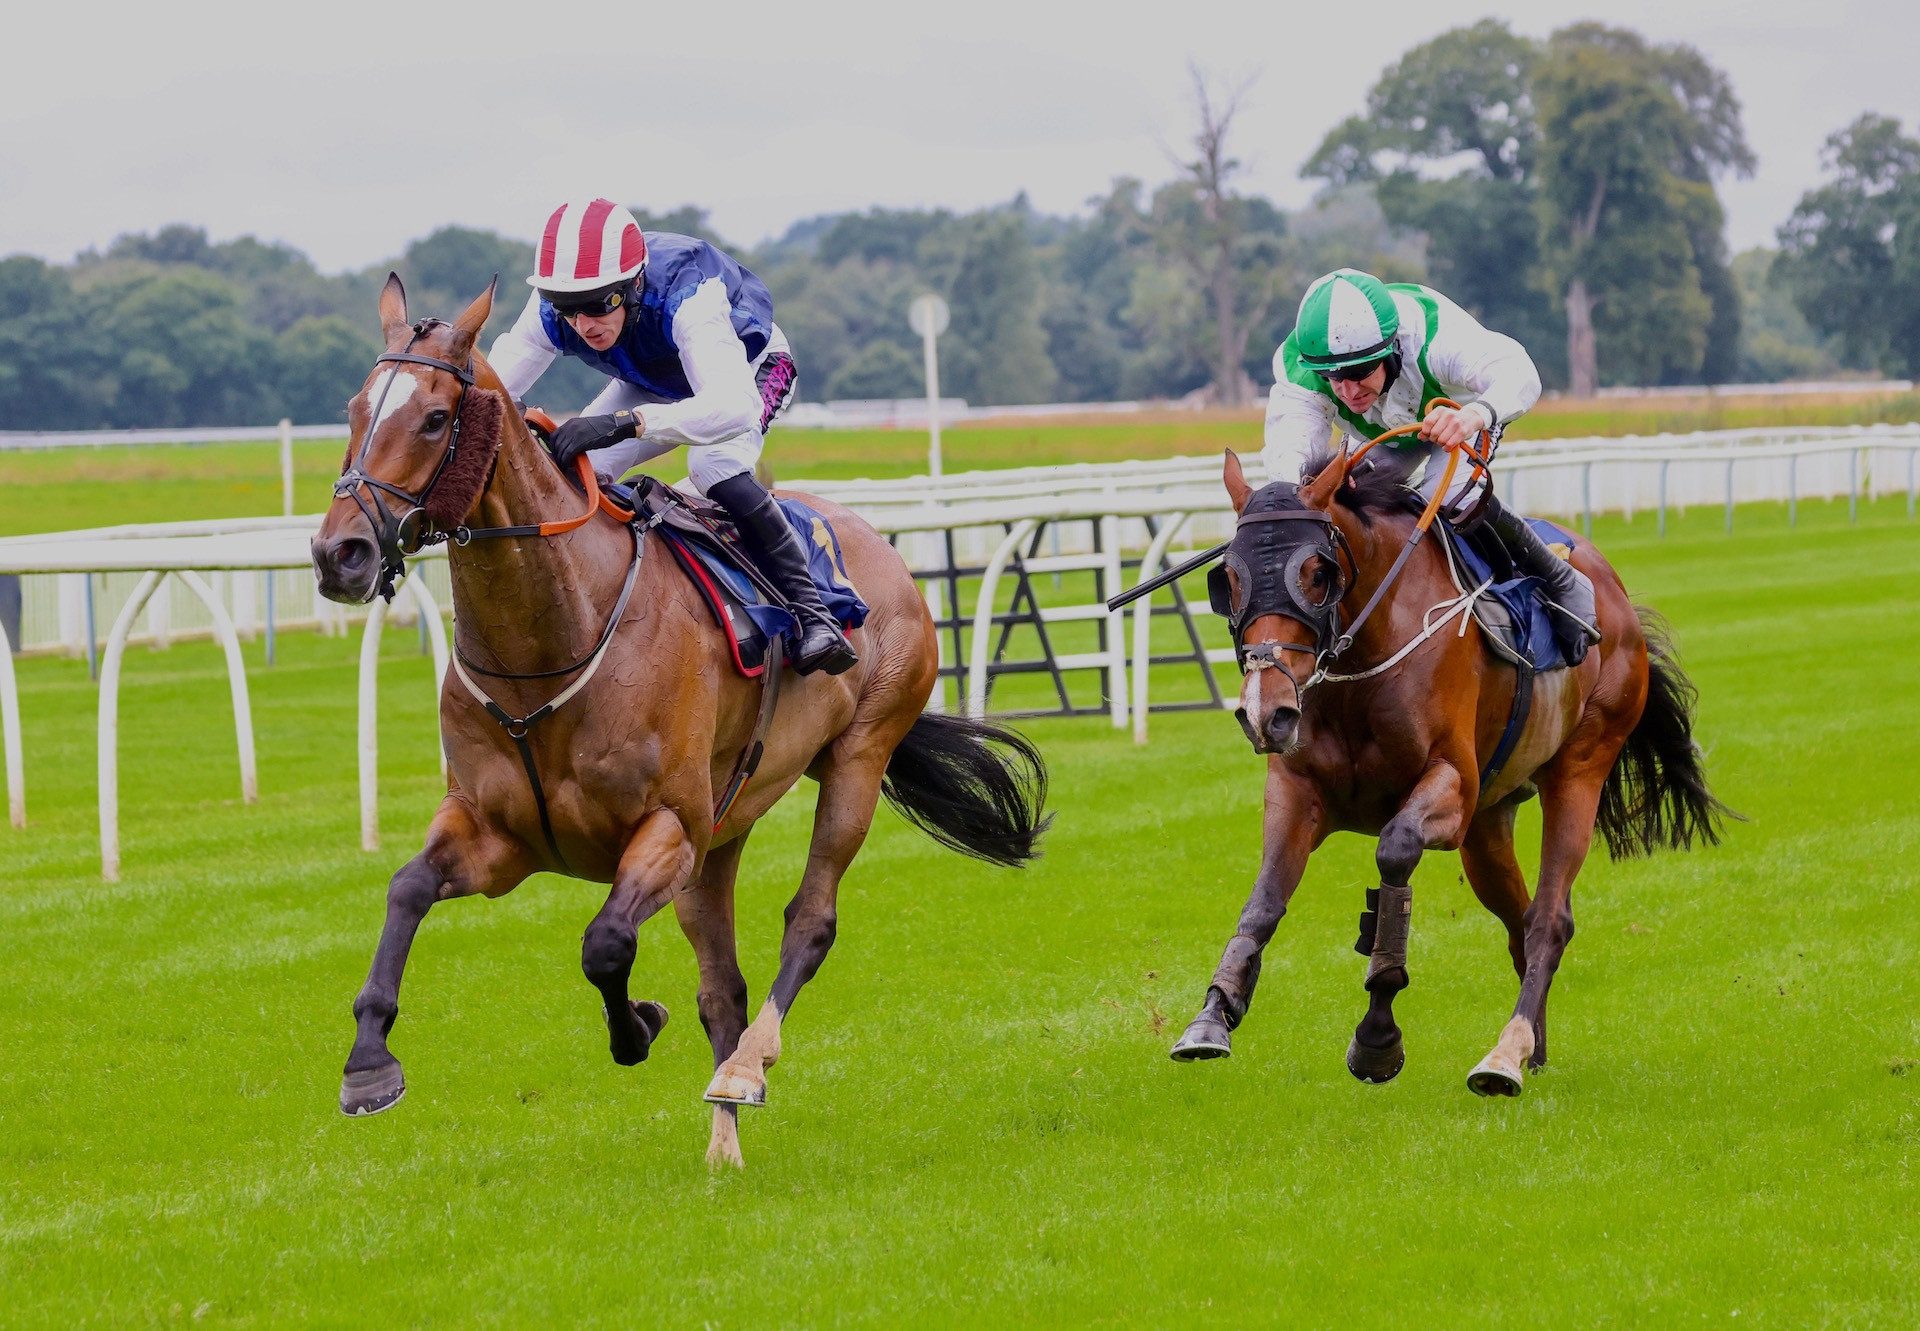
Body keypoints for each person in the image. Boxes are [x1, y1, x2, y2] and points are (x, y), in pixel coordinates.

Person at [488, 197, 856, 676]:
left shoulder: (690, 295)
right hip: (652, 381)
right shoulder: (552, 309)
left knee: (712, 467)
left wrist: (626, 424)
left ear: (634, 283)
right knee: (578, 477)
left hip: (750, 372)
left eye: (600, 305)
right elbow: (490, 389)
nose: (583, 324)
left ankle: (814, 613)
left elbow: (730, 405)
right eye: (568, 309)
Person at [1263, 268, 1600, 659]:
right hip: (1380, 437)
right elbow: (1290, 453)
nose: (1348, 390)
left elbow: (1520, 372)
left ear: (1391, 350)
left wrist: (1475, 415)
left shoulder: (1434, 336)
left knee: (1450, 498)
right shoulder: (1300, 369)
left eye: (1358, 373)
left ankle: (1560, 580)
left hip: (1455, 419)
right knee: (1343, 508)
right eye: (1332, 377)